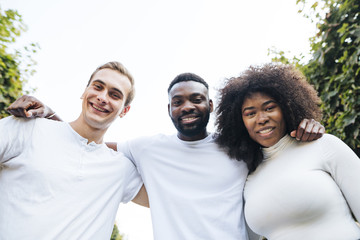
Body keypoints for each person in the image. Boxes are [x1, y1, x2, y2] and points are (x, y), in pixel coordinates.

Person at [7, 72, 324, 240]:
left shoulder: (239, 147)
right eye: (178, 101)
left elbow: (279, 146)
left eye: (197, 99)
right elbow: (88, 146)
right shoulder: (146, 148)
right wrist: (53, 119)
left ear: (211, 106)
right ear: (169, 109)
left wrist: (305, 124)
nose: (187, 106)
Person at [0, 61, 148, 240]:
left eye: (114, 95)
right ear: (84, 91)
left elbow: (174, 199)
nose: (102, 97)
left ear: (125, 111)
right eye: (98, 87)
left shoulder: (121, 169)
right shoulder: (26, 128)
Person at [215, 63, 360, 240]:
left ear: (286, 107)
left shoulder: (323, 146)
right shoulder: (247, 177)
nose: (261, 119)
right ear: (240, 122)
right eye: (250, 113)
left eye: (269, 108)